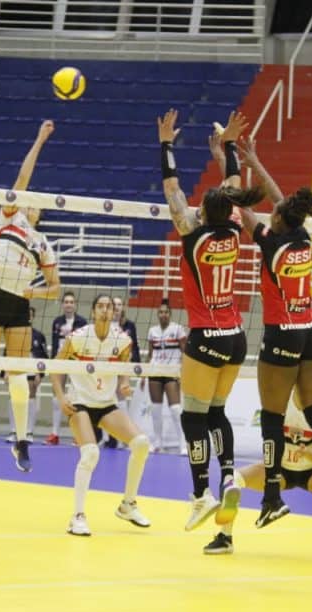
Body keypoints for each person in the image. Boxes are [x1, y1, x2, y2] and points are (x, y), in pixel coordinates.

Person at [229, 136, 312, 528]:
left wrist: (229, 160)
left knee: (271, 416)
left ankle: (272, 497)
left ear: (278, 219)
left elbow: (242, 208)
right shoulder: (301, 237)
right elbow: (280, 201)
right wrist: (256, 161)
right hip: (309, 329)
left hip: (281, 334)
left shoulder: (271, 244)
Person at [158, 109, 261, 531]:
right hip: (235, 336)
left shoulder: (191, 234)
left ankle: (201, 494)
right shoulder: (234, 231)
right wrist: (230, 147)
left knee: (193, 418)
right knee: (216, 412)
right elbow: (234, 185)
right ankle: (229, 475)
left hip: (205, 337)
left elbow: (171, 187)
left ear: (203, 212)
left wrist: (166, 144)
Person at [0, 120, 60, 472]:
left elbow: (56, 287)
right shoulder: (10, 218)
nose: (30, 204)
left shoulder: (42, 243)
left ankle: (21, 442)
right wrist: (39, 139)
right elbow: (21, 179)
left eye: (36, 205)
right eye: (27, 201)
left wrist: (37, 291)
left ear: (40, 213)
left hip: (19, 304)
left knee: (19, 378)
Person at [206, 396, 312, 563]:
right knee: (233, 481)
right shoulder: (277, 404)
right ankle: (225, 536)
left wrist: (305, 452)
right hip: (280, 471)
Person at [51, 294, 151, 536]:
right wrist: (61, 398)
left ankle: (128, 505)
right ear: (94, 311)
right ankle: (77, 517)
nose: (106, 310)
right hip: (80, 403)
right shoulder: (77, 338)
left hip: (106, 404)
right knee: (91, 453)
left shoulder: (123, 340)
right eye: (101, 306)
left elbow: (125, 366)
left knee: (141, 444)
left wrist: (125, 383)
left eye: (110, 306)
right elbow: (55, 366)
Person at [46, 291, 87, 445]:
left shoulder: (82, 322)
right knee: (58, 397)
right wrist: (53, 364)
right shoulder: (57, 322)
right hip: (60, 361)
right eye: (66, 302)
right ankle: (55, 433)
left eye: (71, 302)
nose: (69, 304)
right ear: (63, 304)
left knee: (76, 398)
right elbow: (55, 344)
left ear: (75, 305)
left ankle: (77, 435)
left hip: (76, 362)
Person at [145, 298, 186, 452]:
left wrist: (183, 373)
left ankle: (183, 443)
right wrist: (145, 374)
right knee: (156, 409)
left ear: (170, 314)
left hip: (171, 372)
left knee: (175, 409)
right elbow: (150, 354)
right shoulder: (152, 331)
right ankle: (157, 443)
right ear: (157, 314)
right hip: (155, 372)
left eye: (166, 312)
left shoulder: (178, 329)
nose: (163, 315)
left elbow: (185, 352)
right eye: (161, 312)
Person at [6, 306, 47, 443]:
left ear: (33, 317)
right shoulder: (12, 333)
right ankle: (14, 431)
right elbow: (7, 354)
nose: (27, 317)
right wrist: (6, 371)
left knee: (30, 398)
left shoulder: (38, 335)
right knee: (13, 398)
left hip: (31, 370)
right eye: (25, 314)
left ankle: (28, 432)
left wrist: (39, 374)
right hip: (15, 369)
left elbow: (43, 356)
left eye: (30, 314)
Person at [106, 295, 142, 448]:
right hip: (107, 366)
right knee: (106, 400)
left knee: (121, 398)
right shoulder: (104, 324)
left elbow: (135, 347)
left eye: (120, 304)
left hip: (123, 365)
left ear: (123, 308)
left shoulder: (129, 325)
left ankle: (125, 437)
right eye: (115, 304)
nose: (117, 307)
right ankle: (109, 438)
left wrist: (138, 367)